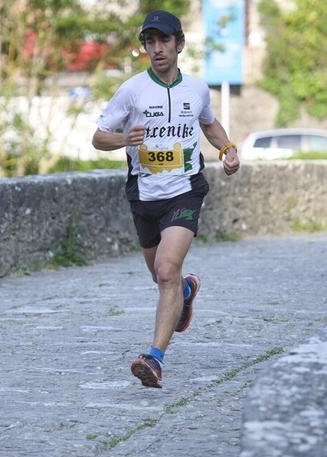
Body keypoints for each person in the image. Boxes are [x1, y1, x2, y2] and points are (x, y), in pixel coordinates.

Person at [92, 10, 240, 388]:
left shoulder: (197, 89)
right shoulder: (132, 90)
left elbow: (208, 123)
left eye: (164, 41)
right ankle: (186, 291)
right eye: (150, 42)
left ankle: (154, 357)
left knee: (166, 270)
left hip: (185, 190)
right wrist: (124, 139)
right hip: (144, 194)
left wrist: (227, 149)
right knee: (163, 279)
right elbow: (99, 137)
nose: (157, 49)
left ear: (179, 44)